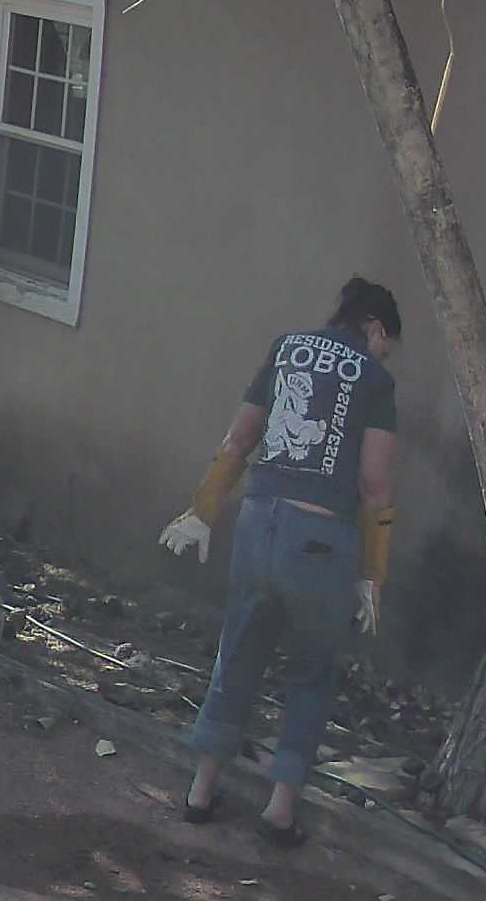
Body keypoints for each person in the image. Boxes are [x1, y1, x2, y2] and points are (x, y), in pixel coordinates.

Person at [160, 277, 402, 843]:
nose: (383, 353)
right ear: (375, 328)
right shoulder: (375, 378)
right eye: (386, 344)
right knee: (312, 672)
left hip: (257, 520)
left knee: (239, 653)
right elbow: (373, 485)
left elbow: (239, 438)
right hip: (321, 540)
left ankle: (200, 790)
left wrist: (203, 509)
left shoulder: (287, 348)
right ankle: (280, 809)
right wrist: (373, 573)